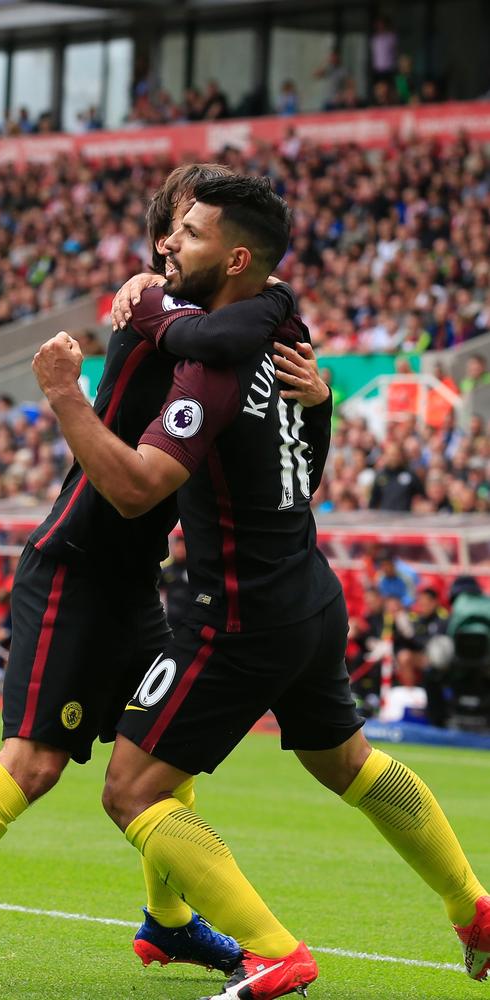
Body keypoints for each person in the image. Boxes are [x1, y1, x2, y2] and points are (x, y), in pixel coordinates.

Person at [0, 163, 312, 988]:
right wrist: (276, 302)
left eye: (192, 231)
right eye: (173, 227)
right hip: (77, 563)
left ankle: (167, 922)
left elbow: (251, 333)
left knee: (165, 754)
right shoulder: (152, 305)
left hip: (135, 576)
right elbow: (145, 467)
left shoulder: (213, 319)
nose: (173, 243)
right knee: (34, 763)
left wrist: (304, 365)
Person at [35, 174, 490, 998]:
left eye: (193, 234)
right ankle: (475, 908)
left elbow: (139, 486)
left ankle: (272, 952)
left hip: (237, 612)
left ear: (237, 258)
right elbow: (301, 466)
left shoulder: (216, 352)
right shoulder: (287, 345)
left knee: (133, 790)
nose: (172, 246)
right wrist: (313, 395)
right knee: (350, 762)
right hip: (309, 592)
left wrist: (69, 399)